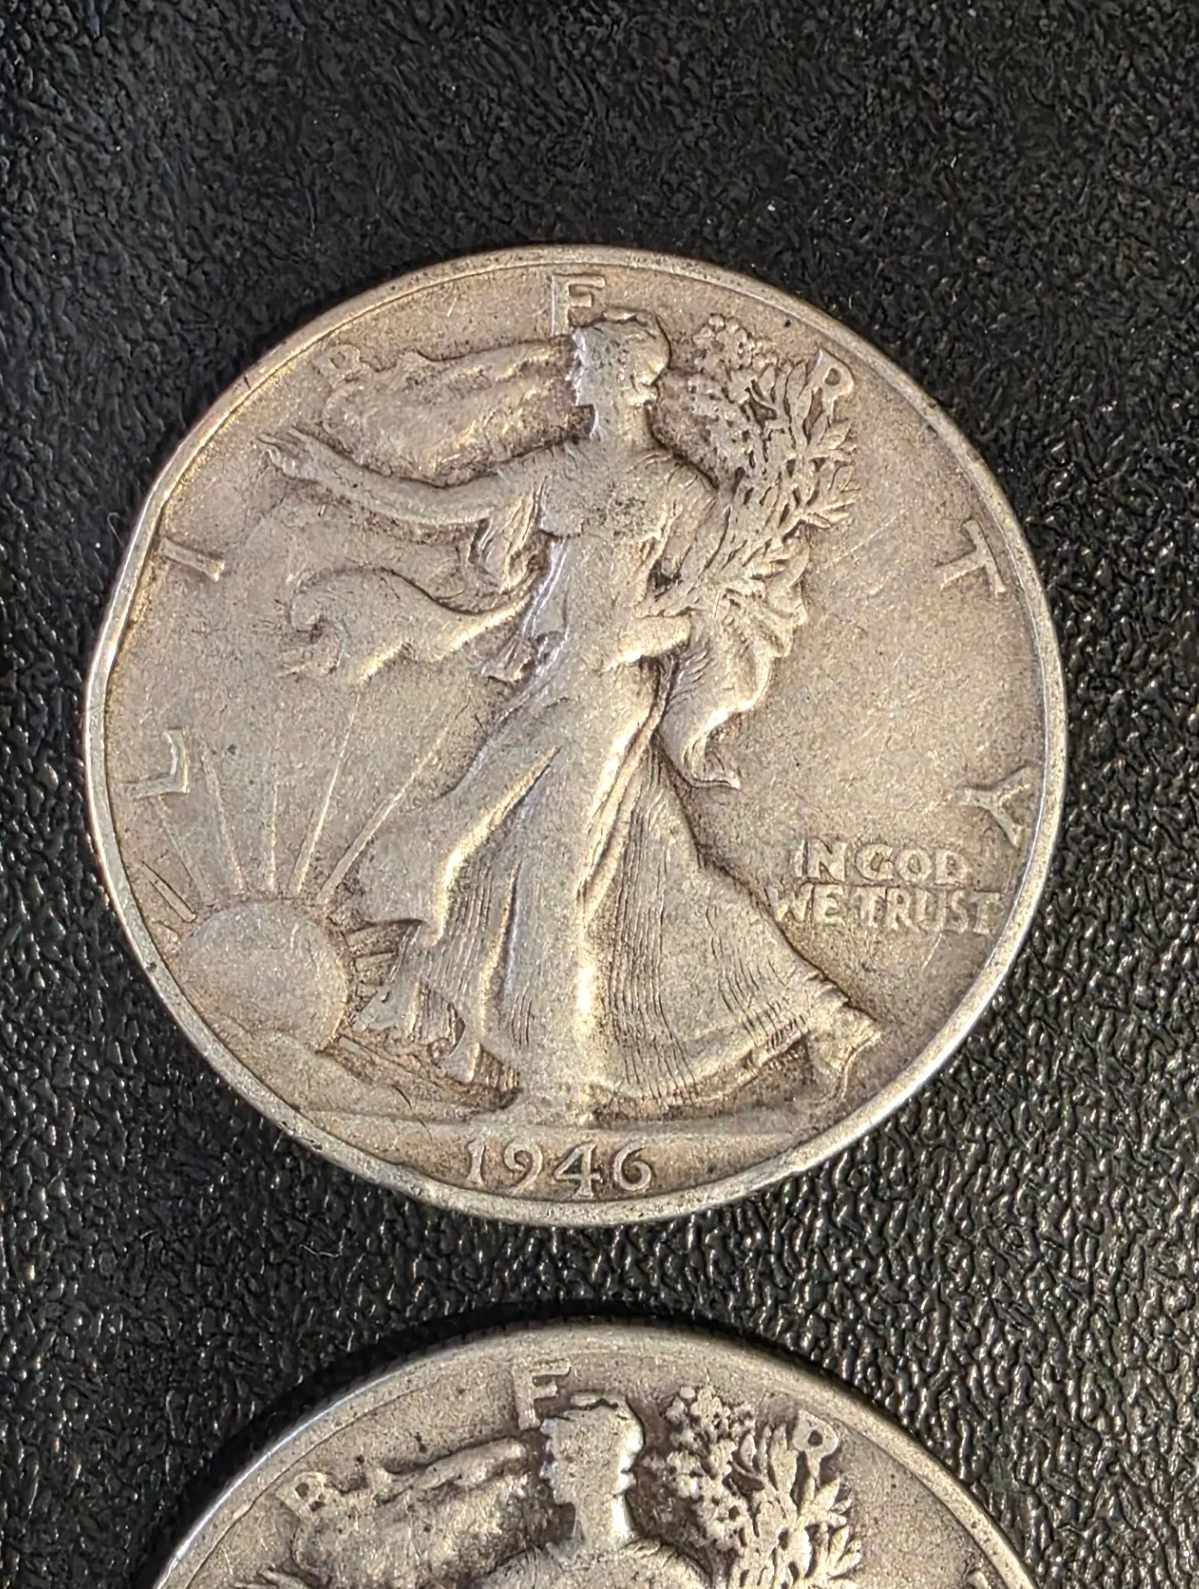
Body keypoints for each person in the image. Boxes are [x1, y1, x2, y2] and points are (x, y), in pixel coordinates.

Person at [266, 311, 876, 1120]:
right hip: (552, 683)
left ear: (624, 378)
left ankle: (557, 1086)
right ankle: (825, 1017)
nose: (574, 376)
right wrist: (332, 474)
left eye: (587, 364)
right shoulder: (558, 469)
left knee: (547, 880)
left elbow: (711, 609)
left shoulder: (675, 492)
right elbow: (439, 507)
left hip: (607, 698)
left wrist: (634, 638)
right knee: (658, 876)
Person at [238, 1394, 708, 1589]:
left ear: (592, 1468)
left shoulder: (673, 1583)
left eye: (560, 1458)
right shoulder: (534, 1579)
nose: (548, 1470)